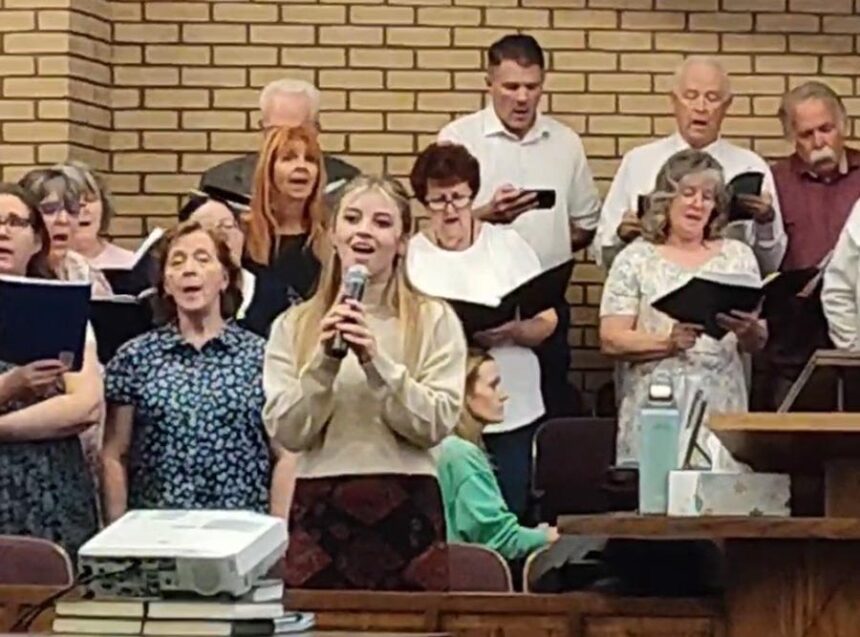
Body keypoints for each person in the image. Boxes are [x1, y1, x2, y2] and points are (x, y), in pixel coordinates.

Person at [263, 175, 467, 590]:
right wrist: (324, 362)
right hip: (321, 507)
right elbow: (288, 430)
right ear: (333, 234)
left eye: (381, 222)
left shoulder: (434, 320)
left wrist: (378, 363)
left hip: (406, 504)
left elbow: (435, 423)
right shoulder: (294, 324)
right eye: (352, 219)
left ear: (403, 239)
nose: (364, 232)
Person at [439, 33, 600, 418]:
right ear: (489, 84)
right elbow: (440, 228)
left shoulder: (565, 142)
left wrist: (545, 250)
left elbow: (585, 224)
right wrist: (486, 216)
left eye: (532, 87)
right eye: (510, 87)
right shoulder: (458, 139)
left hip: (544, 307)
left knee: (551, 411)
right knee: (471, 415)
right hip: (477, 304)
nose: (522, 98)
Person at [101, 221, 293, 522]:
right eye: (177, 262)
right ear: (165, 283)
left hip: (241, 531)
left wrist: (279, 532)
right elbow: (114, 454)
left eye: (203, 259)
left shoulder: (262, 356)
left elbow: (285, 453)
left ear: (225, 278)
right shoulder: (135, 358)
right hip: (157, 529)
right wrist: (116, 532)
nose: (189, 269)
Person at [406, 142, 555, 519]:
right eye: (438, 200)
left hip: (511, 403)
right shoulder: (411, 255)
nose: (451, 209)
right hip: (442, 411)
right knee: (448, 514)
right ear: (424, 202)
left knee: (510, 509)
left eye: (459, 197)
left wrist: (512, 331)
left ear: (473, 195)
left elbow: (547, 319)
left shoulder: (506, 246)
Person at [599, 149, 767, 470]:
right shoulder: (636, 258)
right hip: (657, 404)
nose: (697, 203)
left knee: (722, 504)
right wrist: (667, 342)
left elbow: (757, 342)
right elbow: (611, 339)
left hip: (722, 404)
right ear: (666, 199)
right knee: (657, 502)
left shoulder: (738, 256)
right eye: (687, 193)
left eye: (708, 196)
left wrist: (751, 333)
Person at [597, 56, 786, 275]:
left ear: (727, 106)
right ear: (674, 101)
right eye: (690, 96)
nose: (701, 107)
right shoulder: (639, 162)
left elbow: (771, 265)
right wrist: (621, 237)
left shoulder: (751, 166)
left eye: (712, 98)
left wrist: (765, 223)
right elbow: (602, 255)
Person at [0, 183, 101, 559]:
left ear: (37, 240)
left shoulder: (58, 307)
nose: (3, 232)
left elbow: (84, 406)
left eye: (15, 222)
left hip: (51, 489)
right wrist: (12, 385)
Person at [753, 82, 860, 410]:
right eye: (806, 134)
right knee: (793, 437)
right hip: (796, 332)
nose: (819, 142)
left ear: (844, 125)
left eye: (826, 129)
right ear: (791, 138)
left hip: (856, 316)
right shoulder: (775, 180)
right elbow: (763, 264)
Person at [437, 349, 558, 564]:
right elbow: (501, 538)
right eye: (493, 386)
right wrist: (552, 536)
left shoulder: (446, 446)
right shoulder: (460, 455)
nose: (503, 395)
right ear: (461, 393)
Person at [199, 79, 358, 199]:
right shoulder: (220, 184)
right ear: (262, 129)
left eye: (297, 131)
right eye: (276, 131)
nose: (286, 140)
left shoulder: (348, 185)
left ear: (316, 130)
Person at [242, 124, 326, 337]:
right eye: (288, 158)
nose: (302, 166)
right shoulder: (242, 235)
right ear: (269, 170)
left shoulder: (330, 239)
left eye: (310, 159)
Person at [18, 168, 112, 296]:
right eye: (49, 210)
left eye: (72, 210)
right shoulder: (9, 267)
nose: (63, 220)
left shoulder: (86, 276)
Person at [178, 193, 255, 320]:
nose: (222, 235)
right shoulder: (172, 297)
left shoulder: (277, 293)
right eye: (207, 228)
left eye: (228, 225)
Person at [55, 161, 136, 271]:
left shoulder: (130, 263)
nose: (84, 209)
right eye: (72, 200)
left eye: (90, 199)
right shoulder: (37, 264)